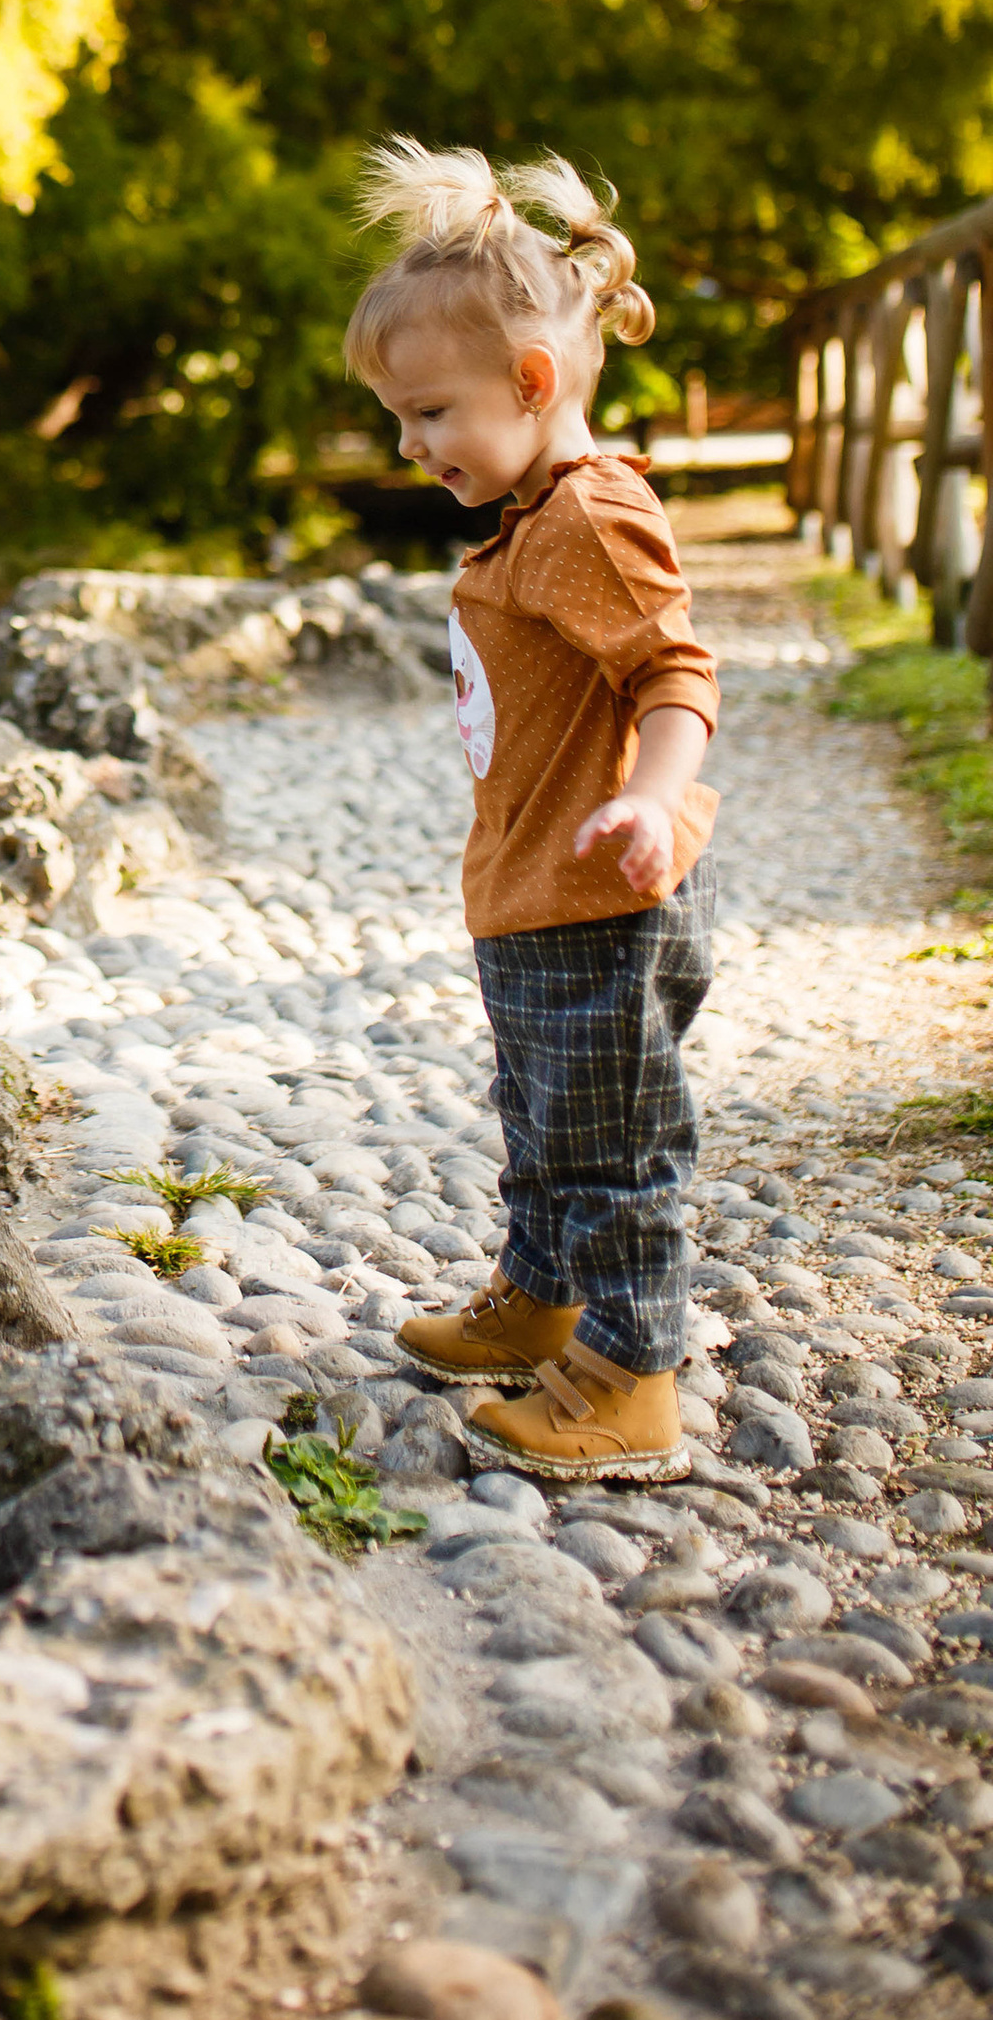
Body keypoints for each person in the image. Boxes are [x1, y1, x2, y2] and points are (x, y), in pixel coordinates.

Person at [344, 141, 719, 1482]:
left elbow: (677, 673)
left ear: (534, 381)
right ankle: (540, 1294)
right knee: (545, 1116)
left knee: (616, 1143)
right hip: (533, 898)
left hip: (603, 899)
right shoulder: (527, 521)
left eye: (431, 413)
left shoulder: (592, 517)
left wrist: (649, 800)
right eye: (401, 418)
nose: (412, 443)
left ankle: (629, 1378)